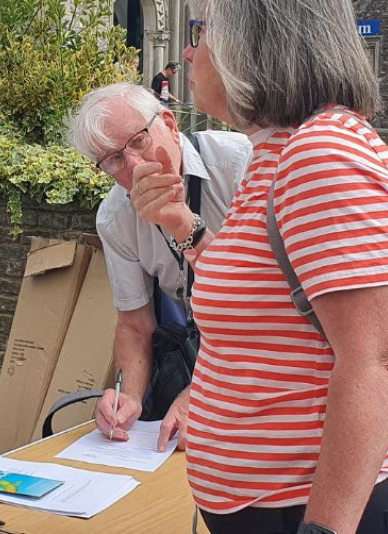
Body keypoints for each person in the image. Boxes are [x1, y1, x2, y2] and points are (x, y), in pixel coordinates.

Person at [182, 0, 388, 534]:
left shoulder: (323, 154)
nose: (190, 52)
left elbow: (374, 363)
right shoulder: (277, 153)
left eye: (202, 30)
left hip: (327, 513)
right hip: (274, 506)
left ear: (256, 39)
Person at [64, 84, 250, 452]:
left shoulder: (241, 165)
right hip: (203, 353)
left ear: (169, 123)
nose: (134, 167)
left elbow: (266, 303)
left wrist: (201, 393)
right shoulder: (116, 216)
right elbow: (135, 322)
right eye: (113, 160)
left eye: (137, 142)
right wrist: (127, 395)